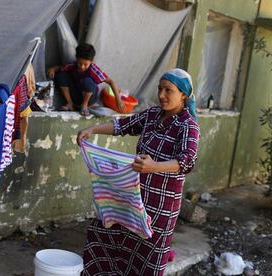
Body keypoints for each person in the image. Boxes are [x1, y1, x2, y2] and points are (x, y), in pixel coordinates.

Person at [76, 68, 200, 276]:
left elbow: (187, 161)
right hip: (133, 197)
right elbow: (123, 125)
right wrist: (92, 129)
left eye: (168, 90)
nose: (161, 95)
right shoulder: (152, 115)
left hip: (160, 206)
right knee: (104, 235)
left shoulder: (188, 125)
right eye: (160, 89)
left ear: (183, 95)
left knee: (146, 257)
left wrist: (155, 167)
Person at [47, 43, 124, 116]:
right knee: (61, 76)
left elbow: (111, 82)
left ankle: (84, 105)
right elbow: (61, 68)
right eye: (80, 63)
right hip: (77, 96)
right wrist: (53, 69)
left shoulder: (94, 70)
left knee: (88, 81)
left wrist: (118, 100)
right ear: (76, 58)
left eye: (85, 64)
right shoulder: (73, 66)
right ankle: (70, 104)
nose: (82, 67)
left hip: (90, 99)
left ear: (91, 61)